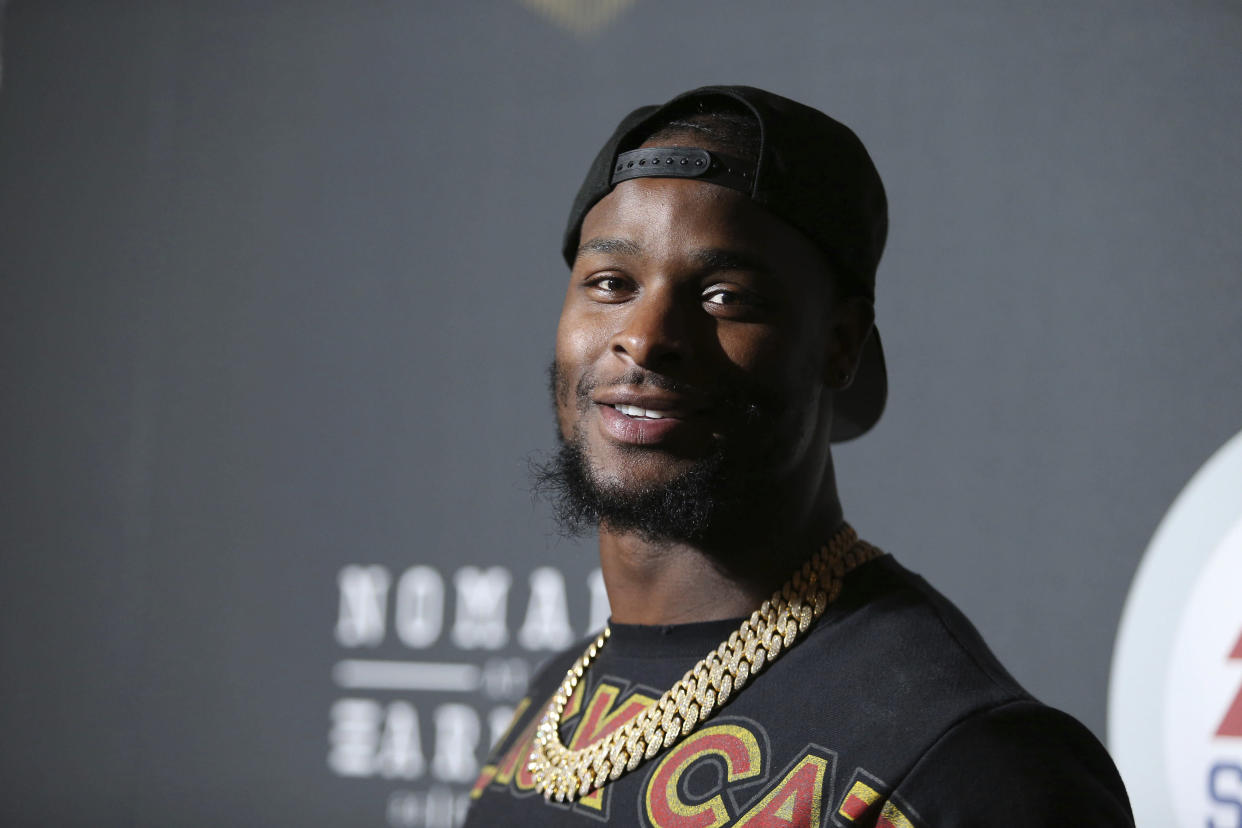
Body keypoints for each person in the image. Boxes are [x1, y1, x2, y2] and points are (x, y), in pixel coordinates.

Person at [463, 85, 1133, 827]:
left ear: (840, 344)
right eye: (611, 284)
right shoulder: (559, 692)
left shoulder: (972, 760)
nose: (646, 336)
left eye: (724, 296)